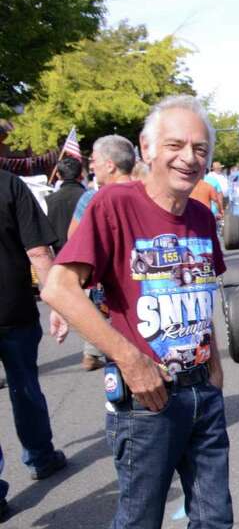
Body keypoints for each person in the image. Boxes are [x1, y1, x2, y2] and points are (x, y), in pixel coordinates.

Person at [43, 94, 239, 529]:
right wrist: (128, 358)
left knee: (213, 519)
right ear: (147, 149)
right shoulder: (112, 206)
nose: (188, 158)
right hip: (145, 403)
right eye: (175, 145)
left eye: (199, 148)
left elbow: (201, 294)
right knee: (140, 522)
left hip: (202, 394)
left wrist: (216, 367)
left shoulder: (200, 216)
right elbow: (58, 289)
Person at [0, 170, 70, 520]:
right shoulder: (10, 184)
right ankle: (41, 456)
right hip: (12, 307)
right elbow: (39, 252)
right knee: (24, 386)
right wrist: (57, 302)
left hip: (14, 310)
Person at [69, 135, 137, 371]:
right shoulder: (151, 193)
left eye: (95, 160)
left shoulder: (92, 198)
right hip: (150, 285)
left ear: (110, 164)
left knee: (118, 347)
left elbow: (74, 239)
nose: (92, 166)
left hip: (111, 285)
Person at [46, 155, 87, 253]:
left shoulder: (48, 200)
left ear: (58, 175)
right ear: (81, 175)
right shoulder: (89, 198)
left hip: (60, 255)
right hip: (86, 254)